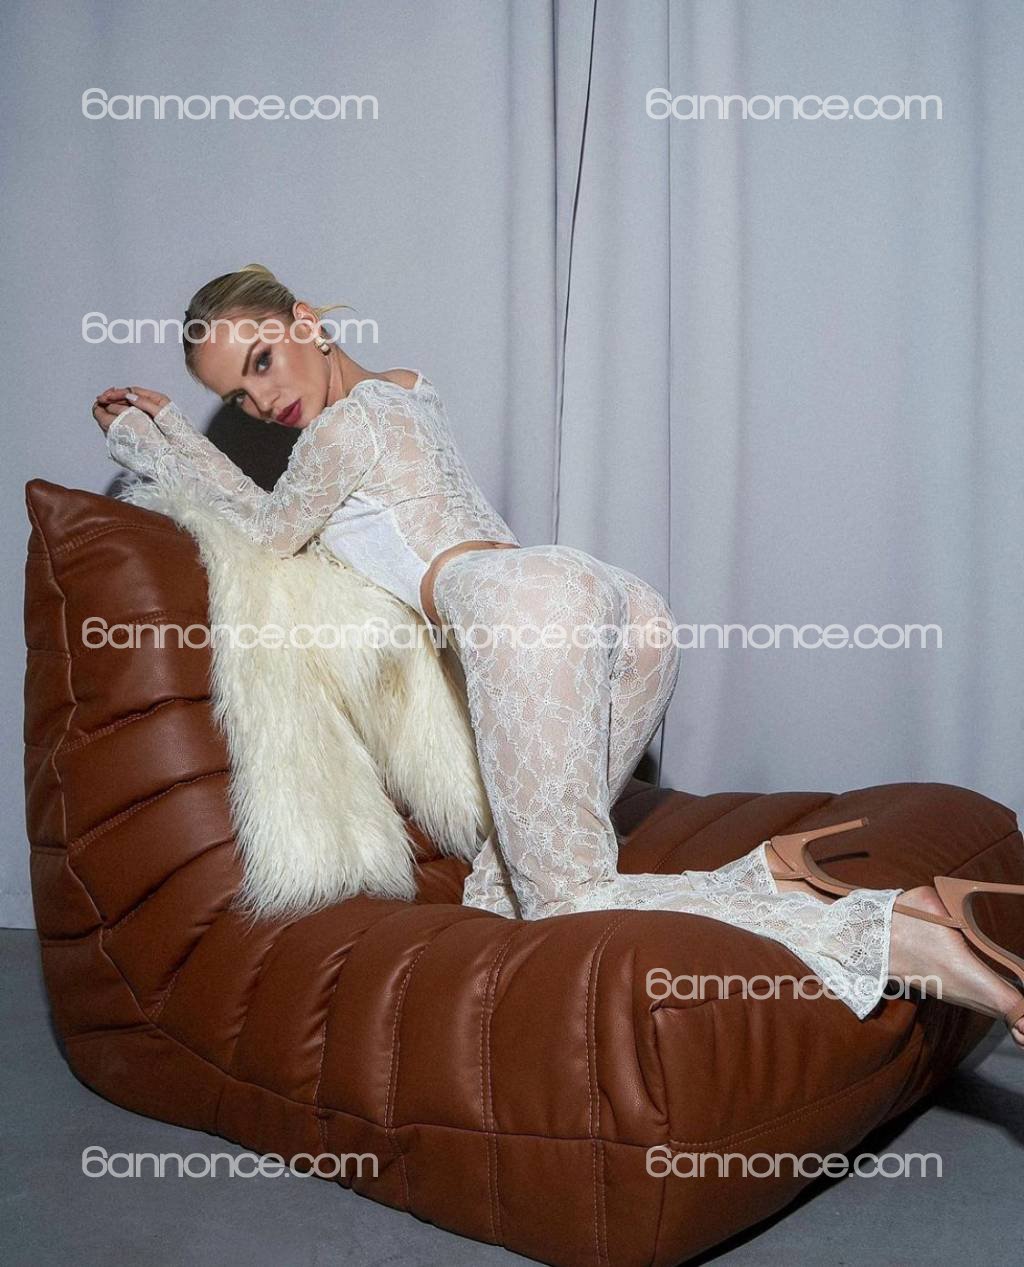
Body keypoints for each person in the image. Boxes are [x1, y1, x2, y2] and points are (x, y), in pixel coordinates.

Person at [93, 263, 1024, 1042]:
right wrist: (178, 427)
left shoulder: (340, 432)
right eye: (237, 395)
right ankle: (770, 875)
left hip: (521, 611)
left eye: (262, 360)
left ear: (305, 321)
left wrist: (152, 439)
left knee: (566, 901)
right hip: (620, 608)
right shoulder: (410, 390)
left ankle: (902, 931)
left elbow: (263, 532)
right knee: (501, 890)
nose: (264, 400)